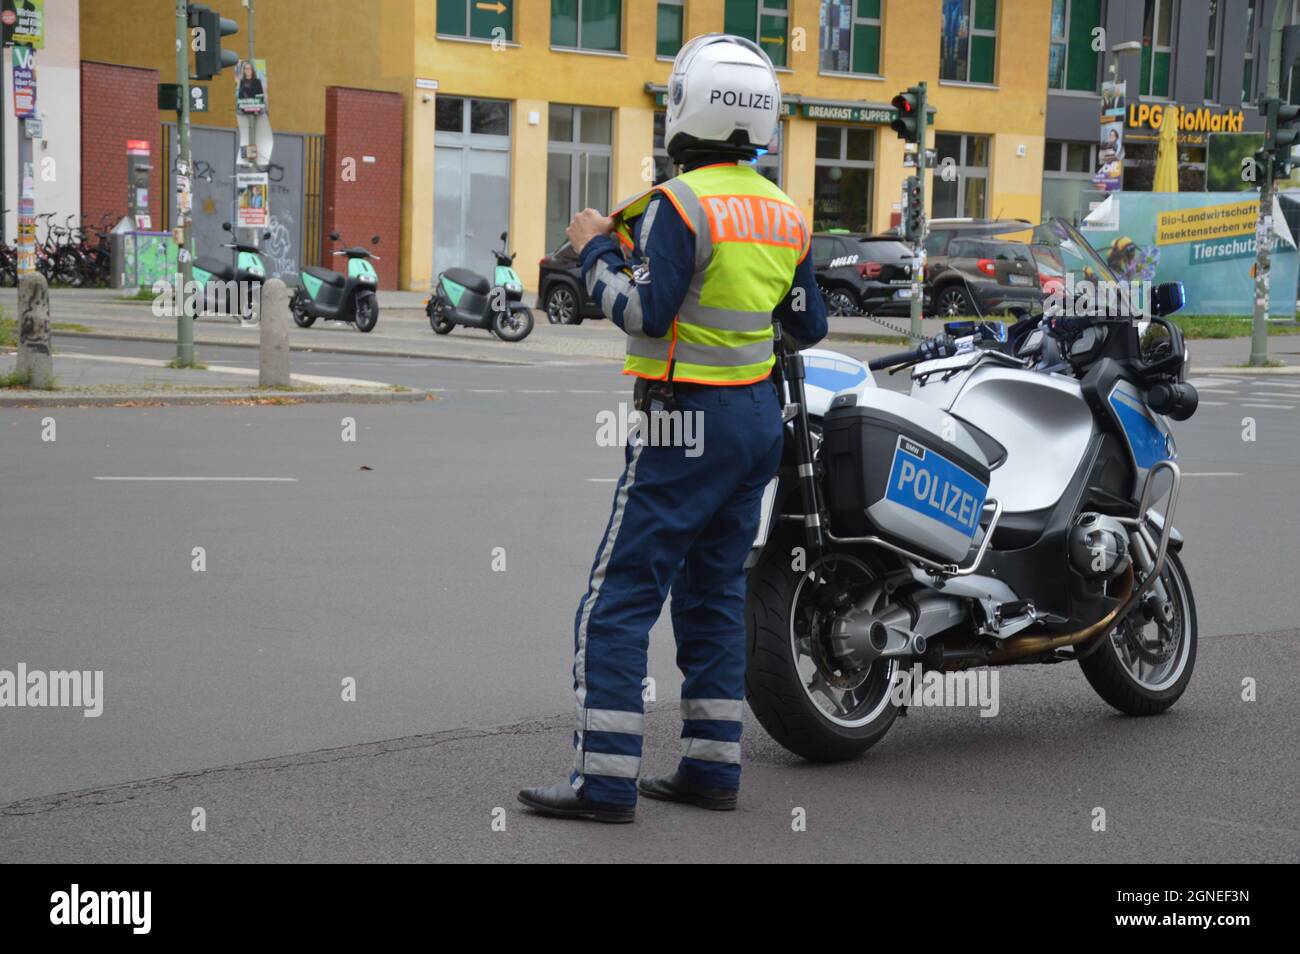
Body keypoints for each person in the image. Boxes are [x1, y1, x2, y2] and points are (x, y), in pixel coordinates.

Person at [518, 34, 828, 823]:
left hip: (684, 423)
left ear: (687, 107)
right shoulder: (785, 212)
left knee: (616, 598)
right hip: (759, 423)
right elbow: (808, 325)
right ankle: (712, 768)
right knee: (714, 593)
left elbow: (641, 311)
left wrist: (594, 253)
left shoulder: (679, 205)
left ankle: (606, 781)